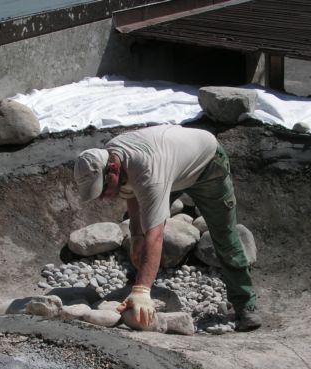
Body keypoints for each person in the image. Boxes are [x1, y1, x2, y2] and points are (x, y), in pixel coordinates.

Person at [73, 124, 261, 332]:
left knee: (224, 236)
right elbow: (132, 194)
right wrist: (135, 236)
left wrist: (142, 291)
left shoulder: (147, 171)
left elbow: (156, 236)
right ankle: (136, 284)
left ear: (114, 170)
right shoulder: (113, 155)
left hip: (208, 166)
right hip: (171, 167)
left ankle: (246, 304)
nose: (103, 198)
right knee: (140, 229)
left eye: (103, 190)